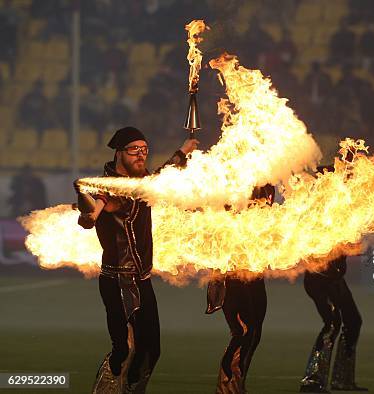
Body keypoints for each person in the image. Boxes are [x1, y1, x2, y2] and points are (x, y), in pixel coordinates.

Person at [76, 126, 198, 393]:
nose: (141, 155)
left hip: (141, 280)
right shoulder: (106, 186)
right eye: (134, 150)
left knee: (151, 349)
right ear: (119, 153)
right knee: (123, 350)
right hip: (117, 281)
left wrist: (184, 150)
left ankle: (132, 390)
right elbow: (98, 206)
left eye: (144, 150)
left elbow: (163, 173)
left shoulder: (141, 181)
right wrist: (90, 216)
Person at [299, 166, 367, 393]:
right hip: (319, 279)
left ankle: (341, 379)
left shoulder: (343, 208)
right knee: (332, 324)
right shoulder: (318, 210)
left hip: (335, 279)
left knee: (353, 321)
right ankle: (312, 381)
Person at [207, 184, 275, 394]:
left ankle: (238, 384)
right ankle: (226, 388)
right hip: (232, 273)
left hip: (255, 273)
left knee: (254, 333)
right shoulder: (234, 180)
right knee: (242, 332)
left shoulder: (267, 186)